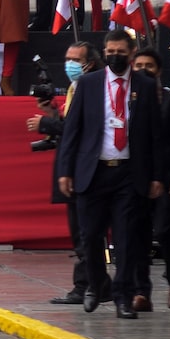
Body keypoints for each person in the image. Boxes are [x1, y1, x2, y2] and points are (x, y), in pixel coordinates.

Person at [57, 29, 163, 319]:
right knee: (90, 236)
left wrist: (156, 175)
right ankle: (95, 284)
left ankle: (123, 297)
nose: (115, 56)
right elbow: (72, 131)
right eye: (110, 51)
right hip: (94, 172)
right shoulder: (89, 85)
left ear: (130, 53)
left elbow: (155, 135)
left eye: (121, 52)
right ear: (104, 53)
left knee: (126, 239)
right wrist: (65, 170)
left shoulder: (143, 84)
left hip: (129, 173)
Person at [27, 41, 108, 305]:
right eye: (67, 59)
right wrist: (51, 112)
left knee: (85, 232)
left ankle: (88, 285)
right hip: (70, 166)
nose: (70, 65)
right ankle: (91, 284)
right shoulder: (76, 88)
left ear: (90, 63)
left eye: (75, 59)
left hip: (84, 169)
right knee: (79, 232)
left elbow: (80, 129)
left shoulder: (96, 90)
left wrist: (46, 123)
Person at [129, 48, 170, 311]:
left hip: (165, 178)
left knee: (164, 231)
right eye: (139, 65)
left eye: (149, 65)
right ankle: (143, 292)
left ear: (159, 70)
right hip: (135, 178)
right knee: (137, 235)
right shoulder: (127, 100)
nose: (144, 70)